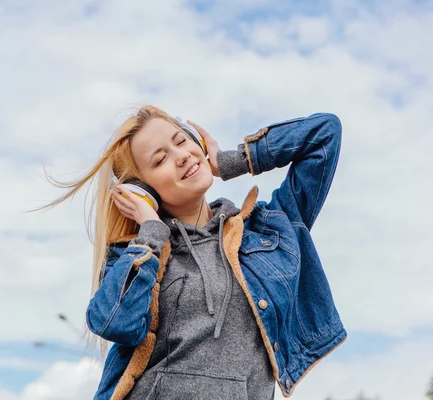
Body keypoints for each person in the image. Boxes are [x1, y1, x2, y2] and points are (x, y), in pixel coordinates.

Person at [39, 105, 346, 399]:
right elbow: (114, 323)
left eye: (182, 141)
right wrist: (150, 233)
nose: (182, 156)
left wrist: (236, 160)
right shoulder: (139, 254)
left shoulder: (265, 234)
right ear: (141, 191)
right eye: (160, 160)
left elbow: (324, 134)